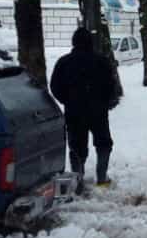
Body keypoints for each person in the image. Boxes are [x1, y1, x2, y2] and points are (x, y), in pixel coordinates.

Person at [50, 28, 122, 188]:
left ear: (74, 42)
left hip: (74, 112)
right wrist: (106, 102)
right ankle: (102, 178)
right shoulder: (102, 61)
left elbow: (55, 86)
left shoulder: (64, 62)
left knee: (76, 145)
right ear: (91, 42)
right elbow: (112, 85)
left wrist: (67, 100)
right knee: (103, 143)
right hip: (98, 111)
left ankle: (78, 180)